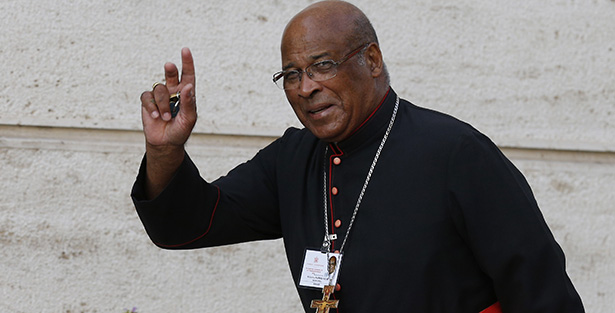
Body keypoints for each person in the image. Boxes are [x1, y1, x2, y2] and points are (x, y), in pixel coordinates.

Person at [131, 1, 585, 312]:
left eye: (322, 66)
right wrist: (165, 150)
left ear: (370, 60)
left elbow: (543, 296)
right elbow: (186, 226)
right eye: (292, 74)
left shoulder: (456, 152)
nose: (306, 87)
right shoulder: (292, 161)